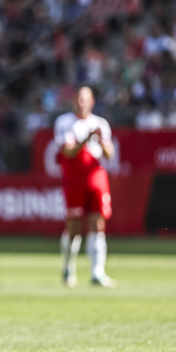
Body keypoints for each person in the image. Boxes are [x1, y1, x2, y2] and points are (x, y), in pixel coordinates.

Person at [54, 86, 116, 288]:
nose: (82, 103)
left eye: (85, 99)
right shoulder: (64, 122)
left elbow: (109, 154)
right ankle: (68, 268)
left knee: (98, 223)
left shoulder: (100, 123)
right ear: (73, 101)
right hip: (74, 179)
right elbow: (69, 152)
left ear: (92, 102)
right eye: (79, 99)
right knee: (74, 227)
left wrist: (100, 139)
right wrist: (86, 139)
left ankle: (98, 272)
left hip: (96, 176)